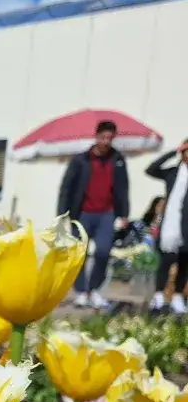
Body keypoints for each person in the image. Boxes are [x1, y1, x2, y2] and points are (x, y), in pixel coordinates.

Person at [57, 119, 131, 309]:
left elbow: (123, 189)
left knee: (103, 251)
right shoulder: (81, 159)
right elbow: (67, 187)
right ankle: (81, 292)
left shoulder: (118, 159)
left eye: (110, 138)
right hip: (83, 212)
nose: (106, 141)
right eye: (103, 137)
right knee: (79, 253)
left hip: (107, 213)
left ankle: (95, 290)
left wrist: (124, 214)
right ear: (96, 136)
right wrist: (62, 213)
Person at [145, 139, 188, 314]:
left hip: (187, 224)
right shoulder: (173, 172)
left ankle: (177, 297)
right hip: (171, 224)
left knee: (184, 262)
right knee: (166, 261)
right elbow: (151, 169)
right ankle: (159, 296)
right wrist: (173, 151)